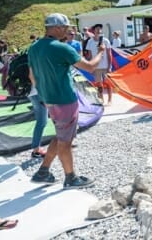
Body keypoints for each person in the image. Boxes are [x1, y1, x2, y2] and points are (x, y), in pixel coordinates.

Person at [28, 13, 105, 189]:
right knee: (66, 142)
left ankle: (43, 171)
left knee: (62, 134)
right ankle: (71, 177)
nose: (68, 31)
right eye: (66, 28)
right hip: (64, 99)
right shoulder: (62, 48)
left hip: (48, 99)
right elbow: (91, 67)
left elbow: (31, 76)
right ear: (57, 28)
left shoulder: (34, 48)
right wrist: (100, 53)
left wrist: (44, 93)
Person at [85, 24, 113, 104]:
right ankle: (101, 99)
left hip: (105, 66)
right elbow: (89, 56)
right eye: (97, 29)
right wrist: (89, 67)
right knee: (99, 84)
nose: (98, 30)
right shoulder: (90, 41)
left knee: (108, 83)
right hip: (96, 67)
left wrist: (109, 66)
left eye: (100, 29)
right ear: (93, 31)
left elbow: (109, 54)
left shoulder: (106, 41)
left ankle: (110, 100)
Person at [27, 72, 48, 159]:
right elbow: (32, 76)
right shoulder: (37, 58)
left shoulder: (34, 58)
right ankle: (36, 150)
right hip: (37, 93)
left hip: (34, 93)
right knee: (42, 122)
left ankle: (36, 148)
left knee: (42, 121)